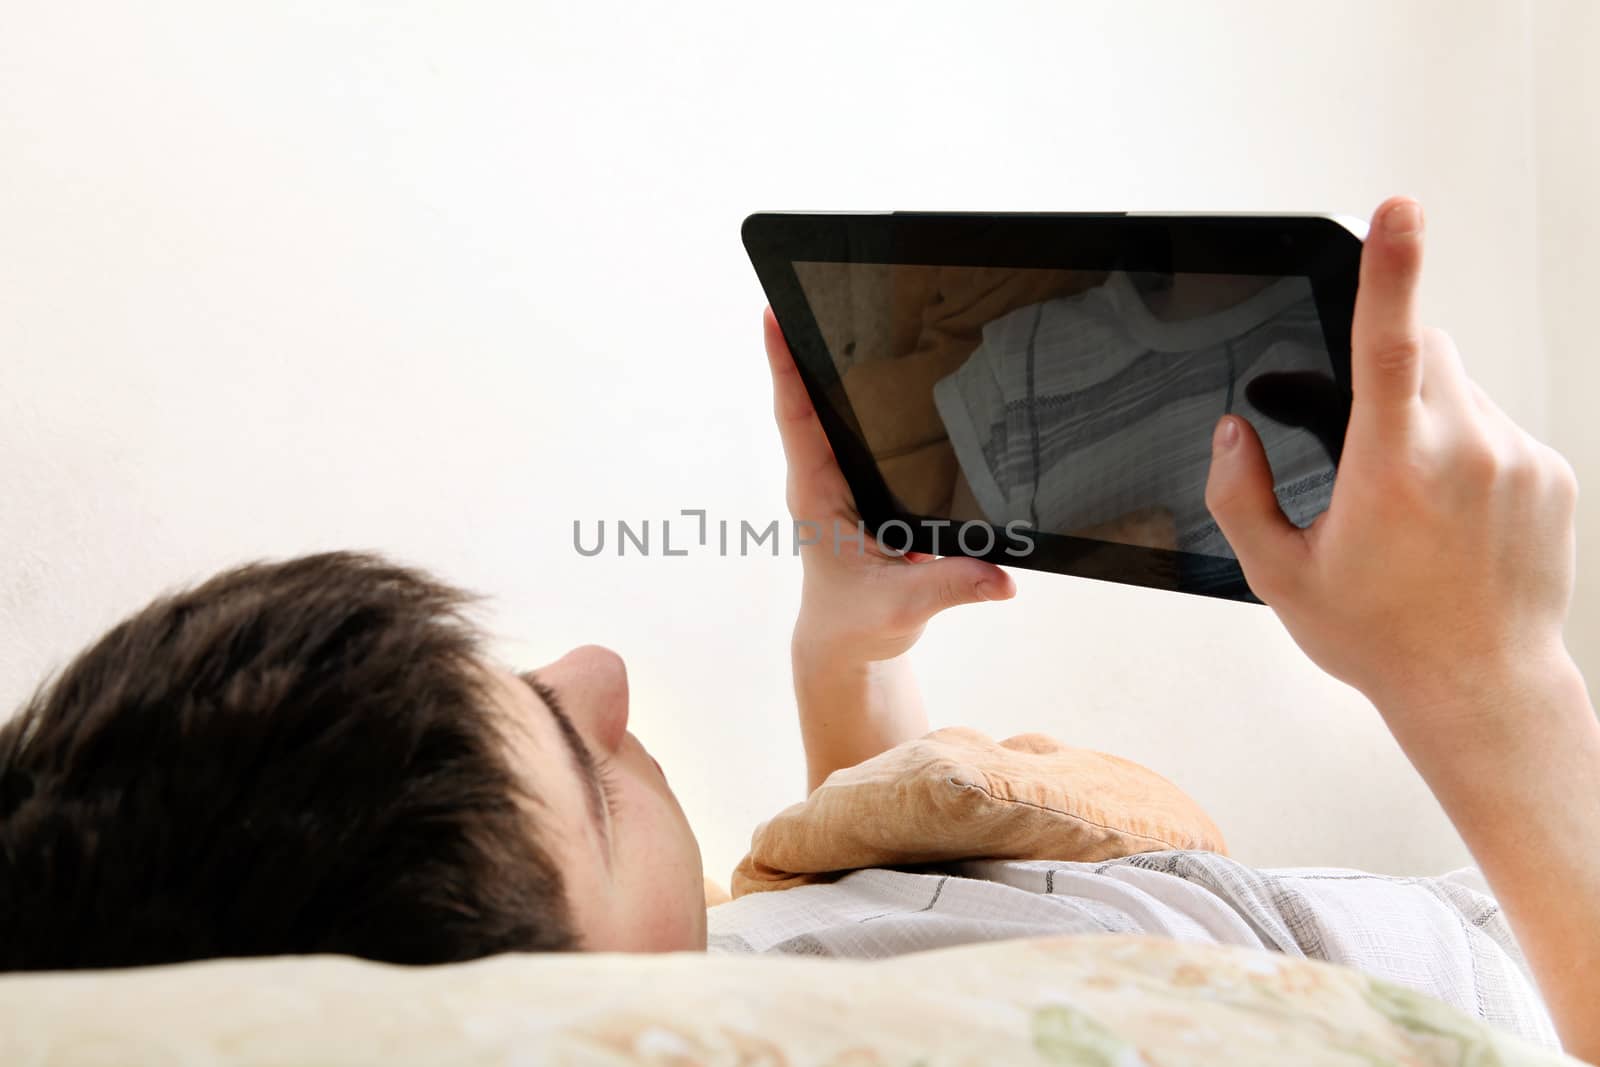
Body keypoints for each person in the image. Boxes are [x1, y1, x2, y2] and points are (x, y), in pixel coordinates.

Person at [0, 198, 1595, 1058]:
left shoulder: (703, 968)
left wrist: (849, 653)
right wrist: (1493, 682)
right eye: (583, 764)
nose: (601, 672)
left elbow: (901, 922)